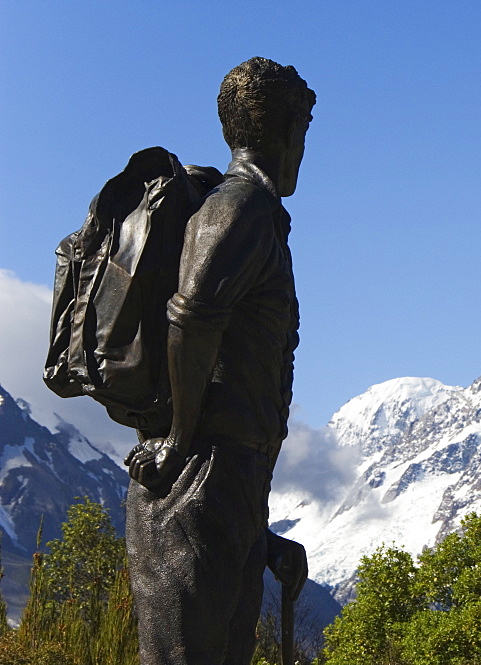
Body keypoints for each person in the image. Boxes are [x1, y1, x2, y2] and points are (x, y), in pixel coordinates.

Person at [123, 57, 315, 665]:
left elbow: (228, 378)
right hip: (197, 481)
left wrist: (260, 539)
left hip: (225, 483)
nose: (303, 149)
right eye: (303, 130)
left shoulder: (252, 213)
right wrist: (178, 442)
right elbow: (192, 315)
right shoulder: (241, 208)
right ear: (285, 131)